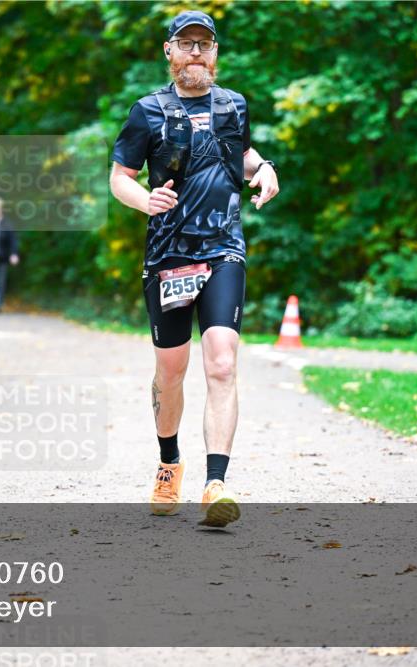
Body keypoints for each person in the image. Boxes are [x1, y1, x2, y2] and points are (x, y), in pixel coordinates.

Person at [109, 10, 280, 525]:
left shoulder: (233, 104)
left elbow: (239, 153)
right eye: (186, 44)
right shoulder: (148, 111)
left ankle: (215, 484)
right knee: (171, 371)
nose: (196, 53)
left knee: (222, 362)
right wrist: (145, 201)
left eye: (205, 44)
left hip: (223, 247)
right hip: (169, 255)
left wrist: (264, 167)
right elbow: (120, 177)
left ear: (216, 51)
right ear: (170, 51)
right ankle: (169, 463)